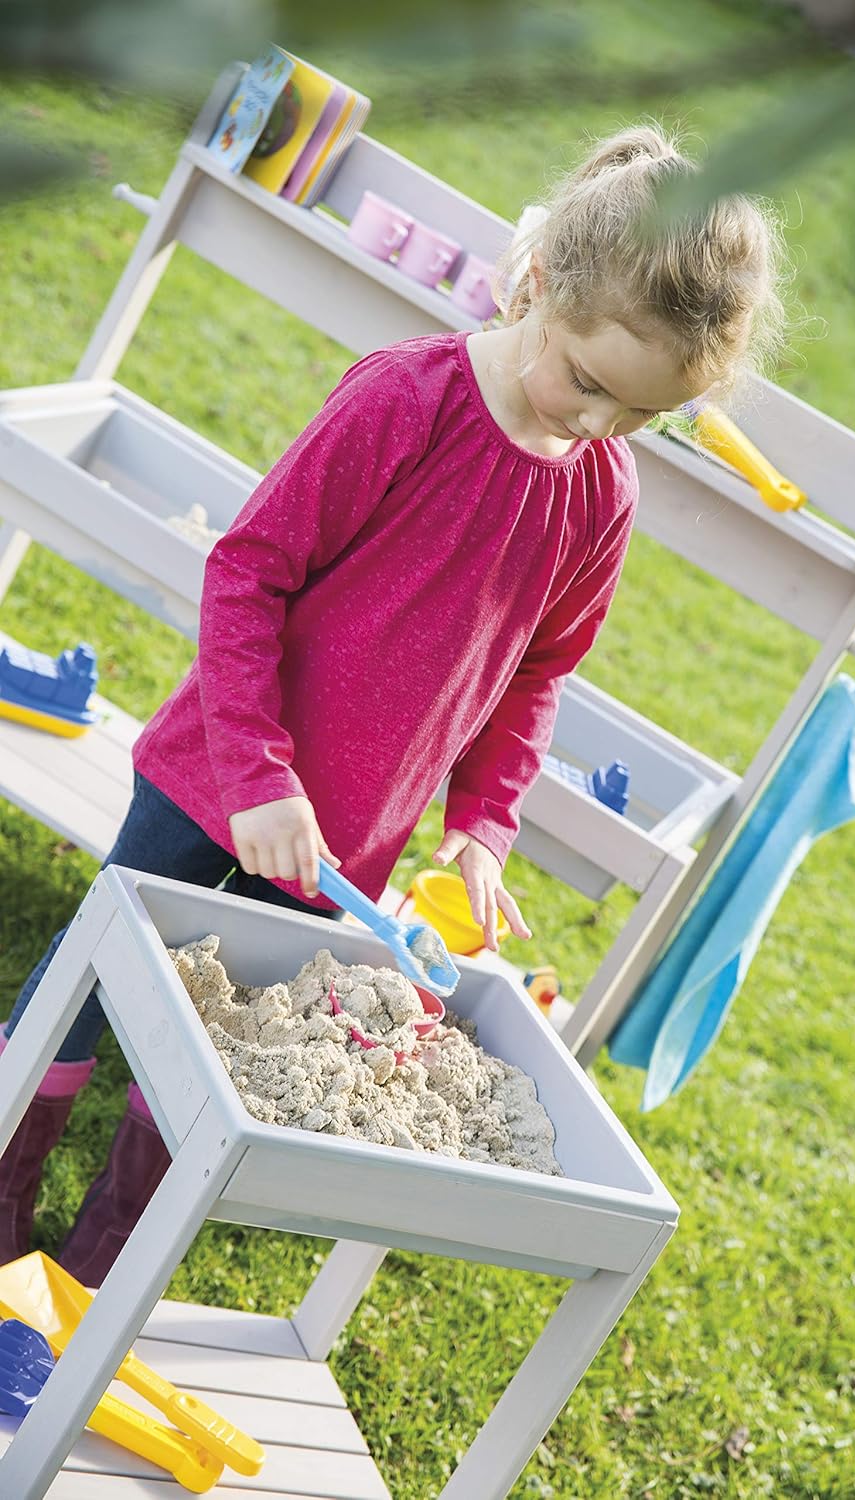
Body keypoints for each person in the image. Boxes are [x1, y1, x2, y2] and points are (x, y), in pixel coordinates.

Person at [0, 121, 788, 1282]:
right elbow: (247, 575)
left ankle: (103, 1257)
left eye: (641, 413)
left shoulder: (600, 497)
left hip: (351, 839)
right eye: (585, 381)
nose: (597, 424)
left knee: (234, 1038)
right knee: (98, 977)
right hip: (216, 775)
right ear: (534, 285)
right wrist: (258, 776)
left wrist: (481, 825)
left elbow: (534, 672)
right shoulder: (405, 402)